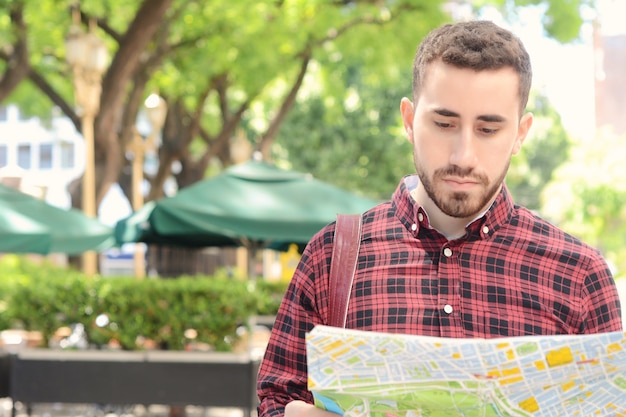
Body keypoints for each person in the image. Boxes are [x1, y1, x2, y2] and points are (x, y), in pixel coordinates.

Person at [256, 20, 623, 417]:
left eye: (488, 128)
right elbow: (275, 400)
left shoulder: (580, 275)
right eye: (444, 124)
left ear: (520, 133)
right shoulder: (333, 255)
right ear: (410, 120)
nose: (463, 155)